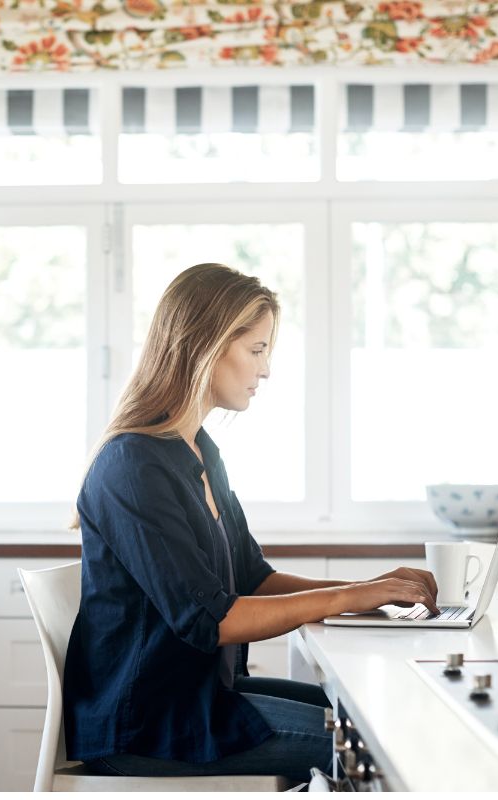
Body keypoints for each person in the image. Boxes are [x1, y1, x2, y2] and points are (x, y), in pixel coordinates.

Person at [63, 263, 439, 783]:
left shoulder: (201, 454)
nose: (265, 371)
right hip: (149, 724)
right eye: (257, 350)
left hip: (201, 699)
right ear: (205, 345)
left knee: (370, 718)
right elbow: (211, 620)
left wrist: (370, 588)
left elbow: (251, 578)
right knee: (374, 746)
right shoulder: (132, 466)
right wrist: (349, 598)